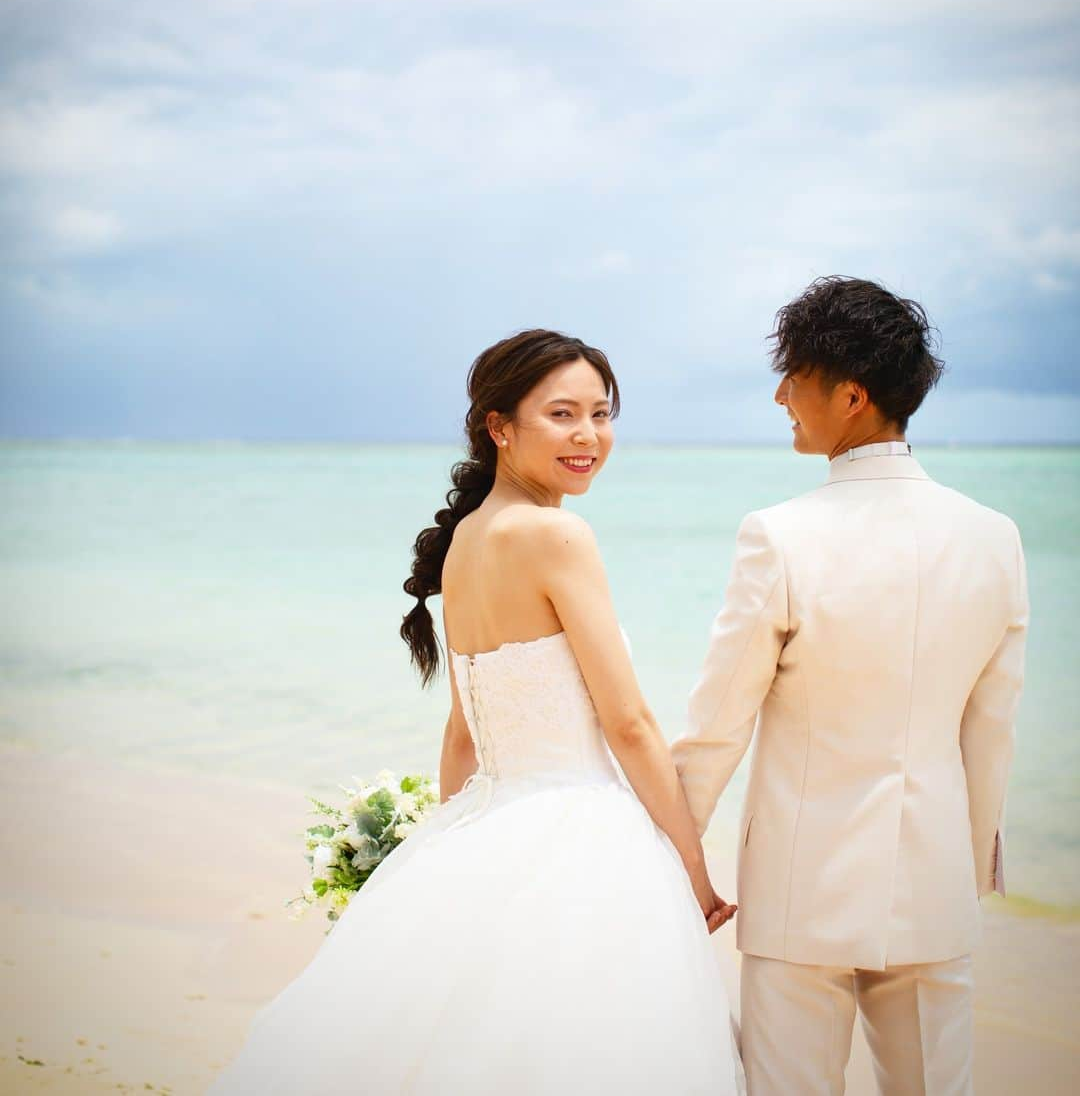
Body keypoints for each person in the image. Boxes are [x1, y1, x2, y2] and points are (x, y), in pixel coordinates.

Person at [211, 327, 742, 1095]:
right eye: (562, 414)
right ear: (499, 426)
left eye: (601, 412)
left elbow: (464, 732)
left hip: (494, 819)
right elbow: (629, 724)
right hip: (583, 829)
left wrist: (447, 843)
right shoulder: (558, 534)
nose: (588, 435)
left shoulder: (465, 543)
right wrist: (694, 873)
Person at [672, 276, 1028, 1096]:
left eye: (794, 377)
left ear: (853, 396)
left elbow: (720, 723)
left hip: (803, 891)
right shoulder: (995, 538)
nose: (780, 396)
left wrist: (673, 855)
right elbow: (991, 728)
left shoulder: (781, 537)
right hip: (935, 888)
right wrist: (965, 869)